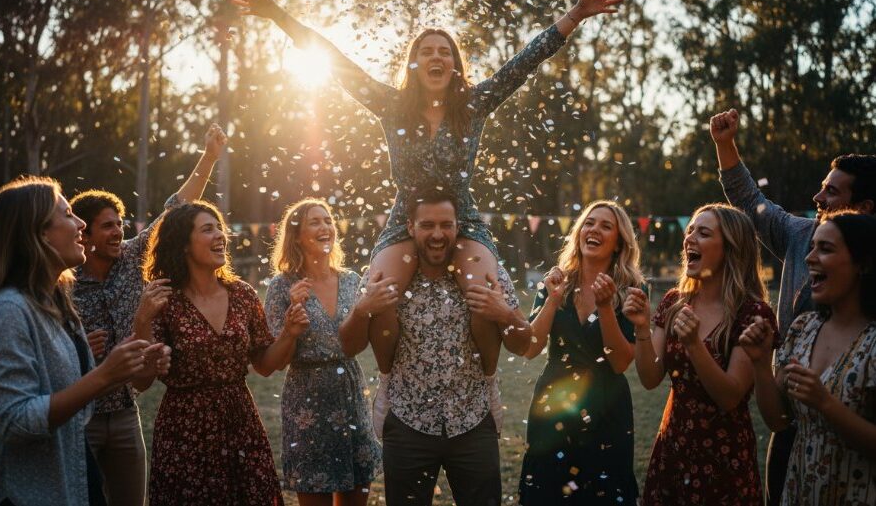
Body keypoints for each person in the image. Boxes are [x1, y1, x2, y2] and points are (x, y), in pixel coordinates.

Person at [232, 0, 625, 385]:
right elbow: (335, 61)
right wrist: (278, 15)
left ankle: (485, 377)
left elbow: (523, 63)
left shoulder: (474, 104)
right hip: (406, 215)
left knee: (482, 292)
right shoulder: (390, 105)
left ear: (454, 64)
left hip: (463, 217)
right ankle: (389, 379)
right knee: (380, 290)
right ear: (414, 64)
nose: (436, 57)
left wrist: (575, 15)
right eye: (426, 51)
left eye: (444, 51)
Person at [709, 108, 876, 504]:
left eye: (831, 192)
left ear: (864, 209)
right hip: (790, 443)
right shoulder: (801, 237)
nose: (817, 198)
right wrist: (725, 145)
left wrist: (826, 403)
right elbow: (751, 201)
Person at [338, 186, 532, 506]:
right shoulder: (385, 276)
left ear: (459, 226)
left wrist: (505, 313)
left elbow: (524, 344)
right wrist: (361, 309)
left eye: (446, 225)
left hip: (473, 421)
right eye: (427, 225)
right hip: (407, 421)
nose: (438, 234)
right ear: (411, 227)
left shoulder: (485, 274)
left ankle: (490, 384)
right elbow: (347, 346)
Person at [68, 123, 227, 506]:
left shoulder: (131, 259)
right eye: (107, 226)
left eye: (120, 224)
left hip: (125, 413)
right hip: (79, 419)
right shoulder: (64, 283)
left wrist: (209, 157)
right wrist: (75, 348)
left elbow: (176, 207)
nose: (118, 232)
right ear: (84, 235)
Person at [0, 177, 168, 506]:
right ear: (39, 234)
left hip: (69, 483)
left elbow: (74, 399)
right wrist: (104, 375)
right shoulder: (9, 311)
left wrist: (130, 365)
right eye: (69, 214)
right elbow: (14, 420)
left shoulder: (57, 302)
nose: (81, 225)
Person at [137, 201, 297, 505]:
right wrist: (142, 321)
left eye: (219, 227)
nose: (220, 235)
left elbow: (264, 365)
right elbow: (142, 381)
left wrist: (289, 333)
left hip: (241, 422)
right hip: (185, 429)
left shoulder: (243, 294)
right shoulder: (163, 300)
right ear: (183, 244)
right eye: (207, 229)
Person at [627, 203, 777, 505]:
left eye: (703, 233)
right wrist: (642, 327)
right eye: (690, 230)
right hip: (673, 447)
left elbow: (730, 397)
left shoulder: (752, 313)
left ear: (731, 248)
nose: (689, 238)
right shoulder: (674, 301)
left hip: (723, 457)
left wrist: (695, 345)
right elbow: (649, 377)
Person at [739, 211, 876, 505]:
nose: (809, 258)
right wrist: (761, 363)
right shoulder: (803, 328)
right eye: (812, 247)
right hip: (799, 492)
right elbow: (778, 420)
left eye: (825, 249)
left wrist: (825, 404)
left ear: (863, 264)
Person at [519, 201, 643, 505]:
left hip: (606, 411)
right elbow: (531, 348)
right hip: (554, 407)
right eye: (589, 223)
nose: (594, 230)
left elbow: (620, 361)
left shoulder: (631, 288)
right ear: (578, 233)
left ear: (619, 242)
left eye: (605, 226)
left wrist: (605, 309)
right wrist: (551, 300)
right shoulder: (556, 282)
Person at [264, 198, 382, 505]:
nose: (325, 227)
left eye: (328, 220)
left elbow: (361, 340)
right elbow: (275, 361)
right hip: (307, 402)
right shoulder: (281, 287)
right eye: (314, 222)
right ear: (297, 236)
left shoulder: (352, 281)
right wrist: (291, 325)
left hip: (351, 392)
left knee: (356, 492)